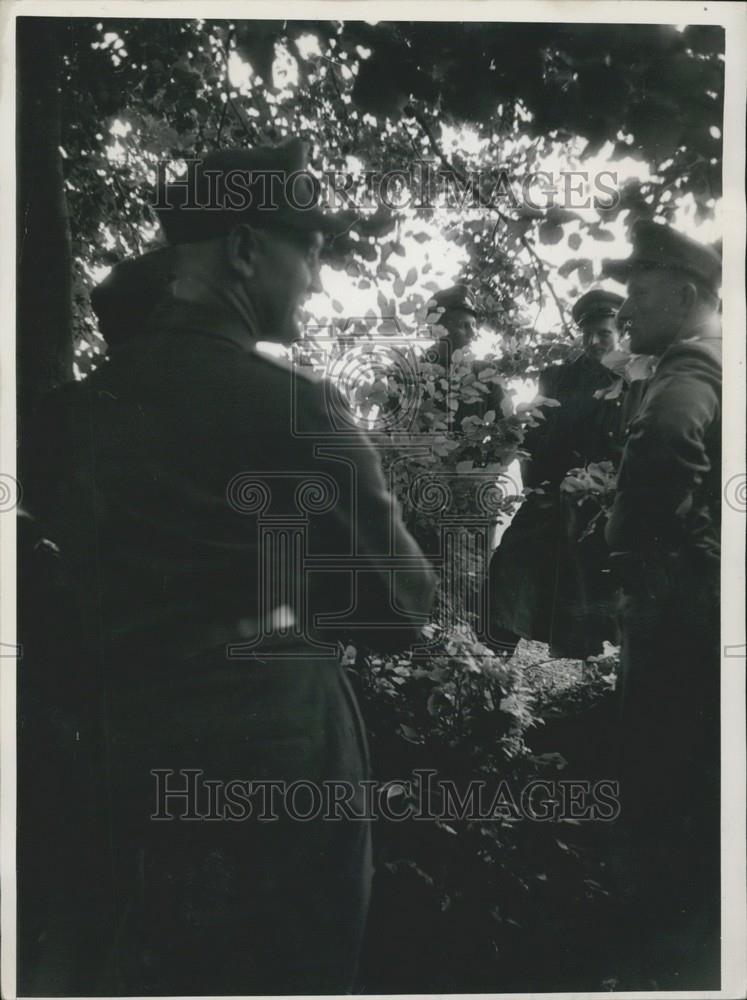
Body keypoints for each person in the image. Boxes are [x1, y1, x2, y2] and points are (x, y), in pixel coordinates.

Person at [20, 139, 436, 996]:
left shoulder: (66, 417)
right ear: (246, 249)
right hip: (274, 760)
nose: (316, 280)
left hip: (110, 750)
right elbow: (400, 607)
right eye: (309, 251)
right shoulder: (295, 406)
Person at [602, 221, 722, 988]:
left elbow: (673, 444)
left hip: (680, 619)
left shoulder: (690, 367)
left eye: (638, 293)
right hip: (707, 613)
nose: (625, 310)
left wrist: (645, 551)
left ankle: (654, 969)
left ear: (684, 293)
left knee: (659, 785)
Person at [483, 288, 637, 659]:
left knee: (601, 594)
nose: (596, 341)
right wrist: (543, 486)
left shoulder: (635, 382)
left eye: (605, 333)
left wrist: (602, 487)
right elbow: (532, 440)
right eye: (589, 333)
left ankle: (602, 684)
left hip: (605, 505)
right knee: (511, 572)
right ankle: (488, 670)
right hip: (551, 498)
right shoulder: (557, 379)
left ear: (620, 334)